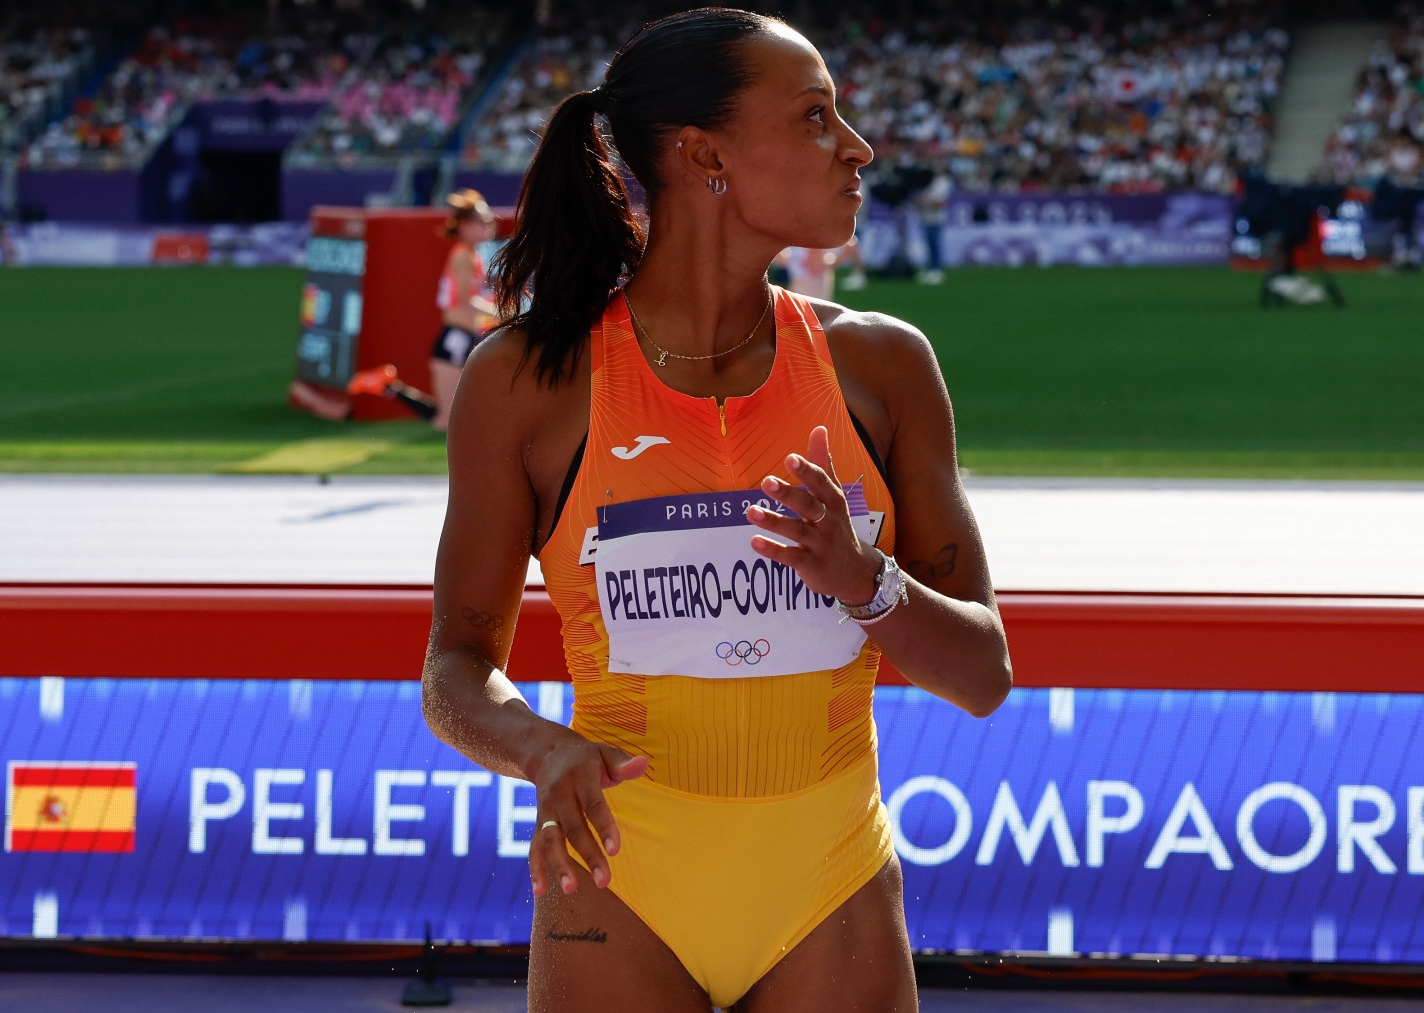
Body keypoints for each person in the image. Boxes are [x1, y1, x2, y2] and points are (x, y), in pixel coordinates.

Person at [421, 9, 1012, 1012]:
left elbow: (983, 673)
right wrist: (540, 745)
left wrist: (866, 581)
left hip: (828, 872)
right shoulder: (528, 379)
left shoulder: (883, 366)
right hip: (621, 871)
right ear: (705, 155)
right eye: (818, 117)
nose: (859, 147)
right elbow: (455, 670)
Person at [428, 188, 500, 430]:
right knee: (446, 420)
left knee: (461, 416)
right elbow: (465, 302)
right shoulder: (463, 256)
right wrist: (503, 314)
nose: (490, 225)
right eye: (483, 221)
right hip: (455, 338)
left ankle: (391, 389)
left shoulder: (473, 256)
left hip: (467, 337)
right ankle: (390, 389)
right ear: (465, 226)